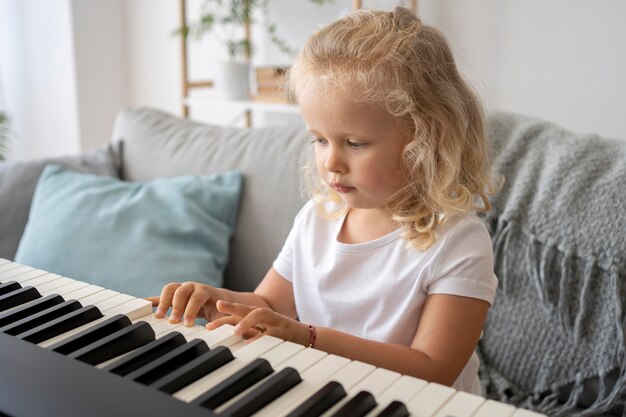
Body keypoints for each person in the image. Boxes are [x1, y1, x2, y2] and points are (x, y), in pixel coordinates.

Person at [149, 6, 498, 395]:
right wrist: (218, 303)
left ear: (427, 139)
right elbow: (268, 302)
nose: (331, 162)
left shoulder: (458, 241)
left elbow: (433, 371)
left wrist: (308, 338)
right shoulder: (317, 220)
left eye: (355, 143)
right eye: (319, 139)